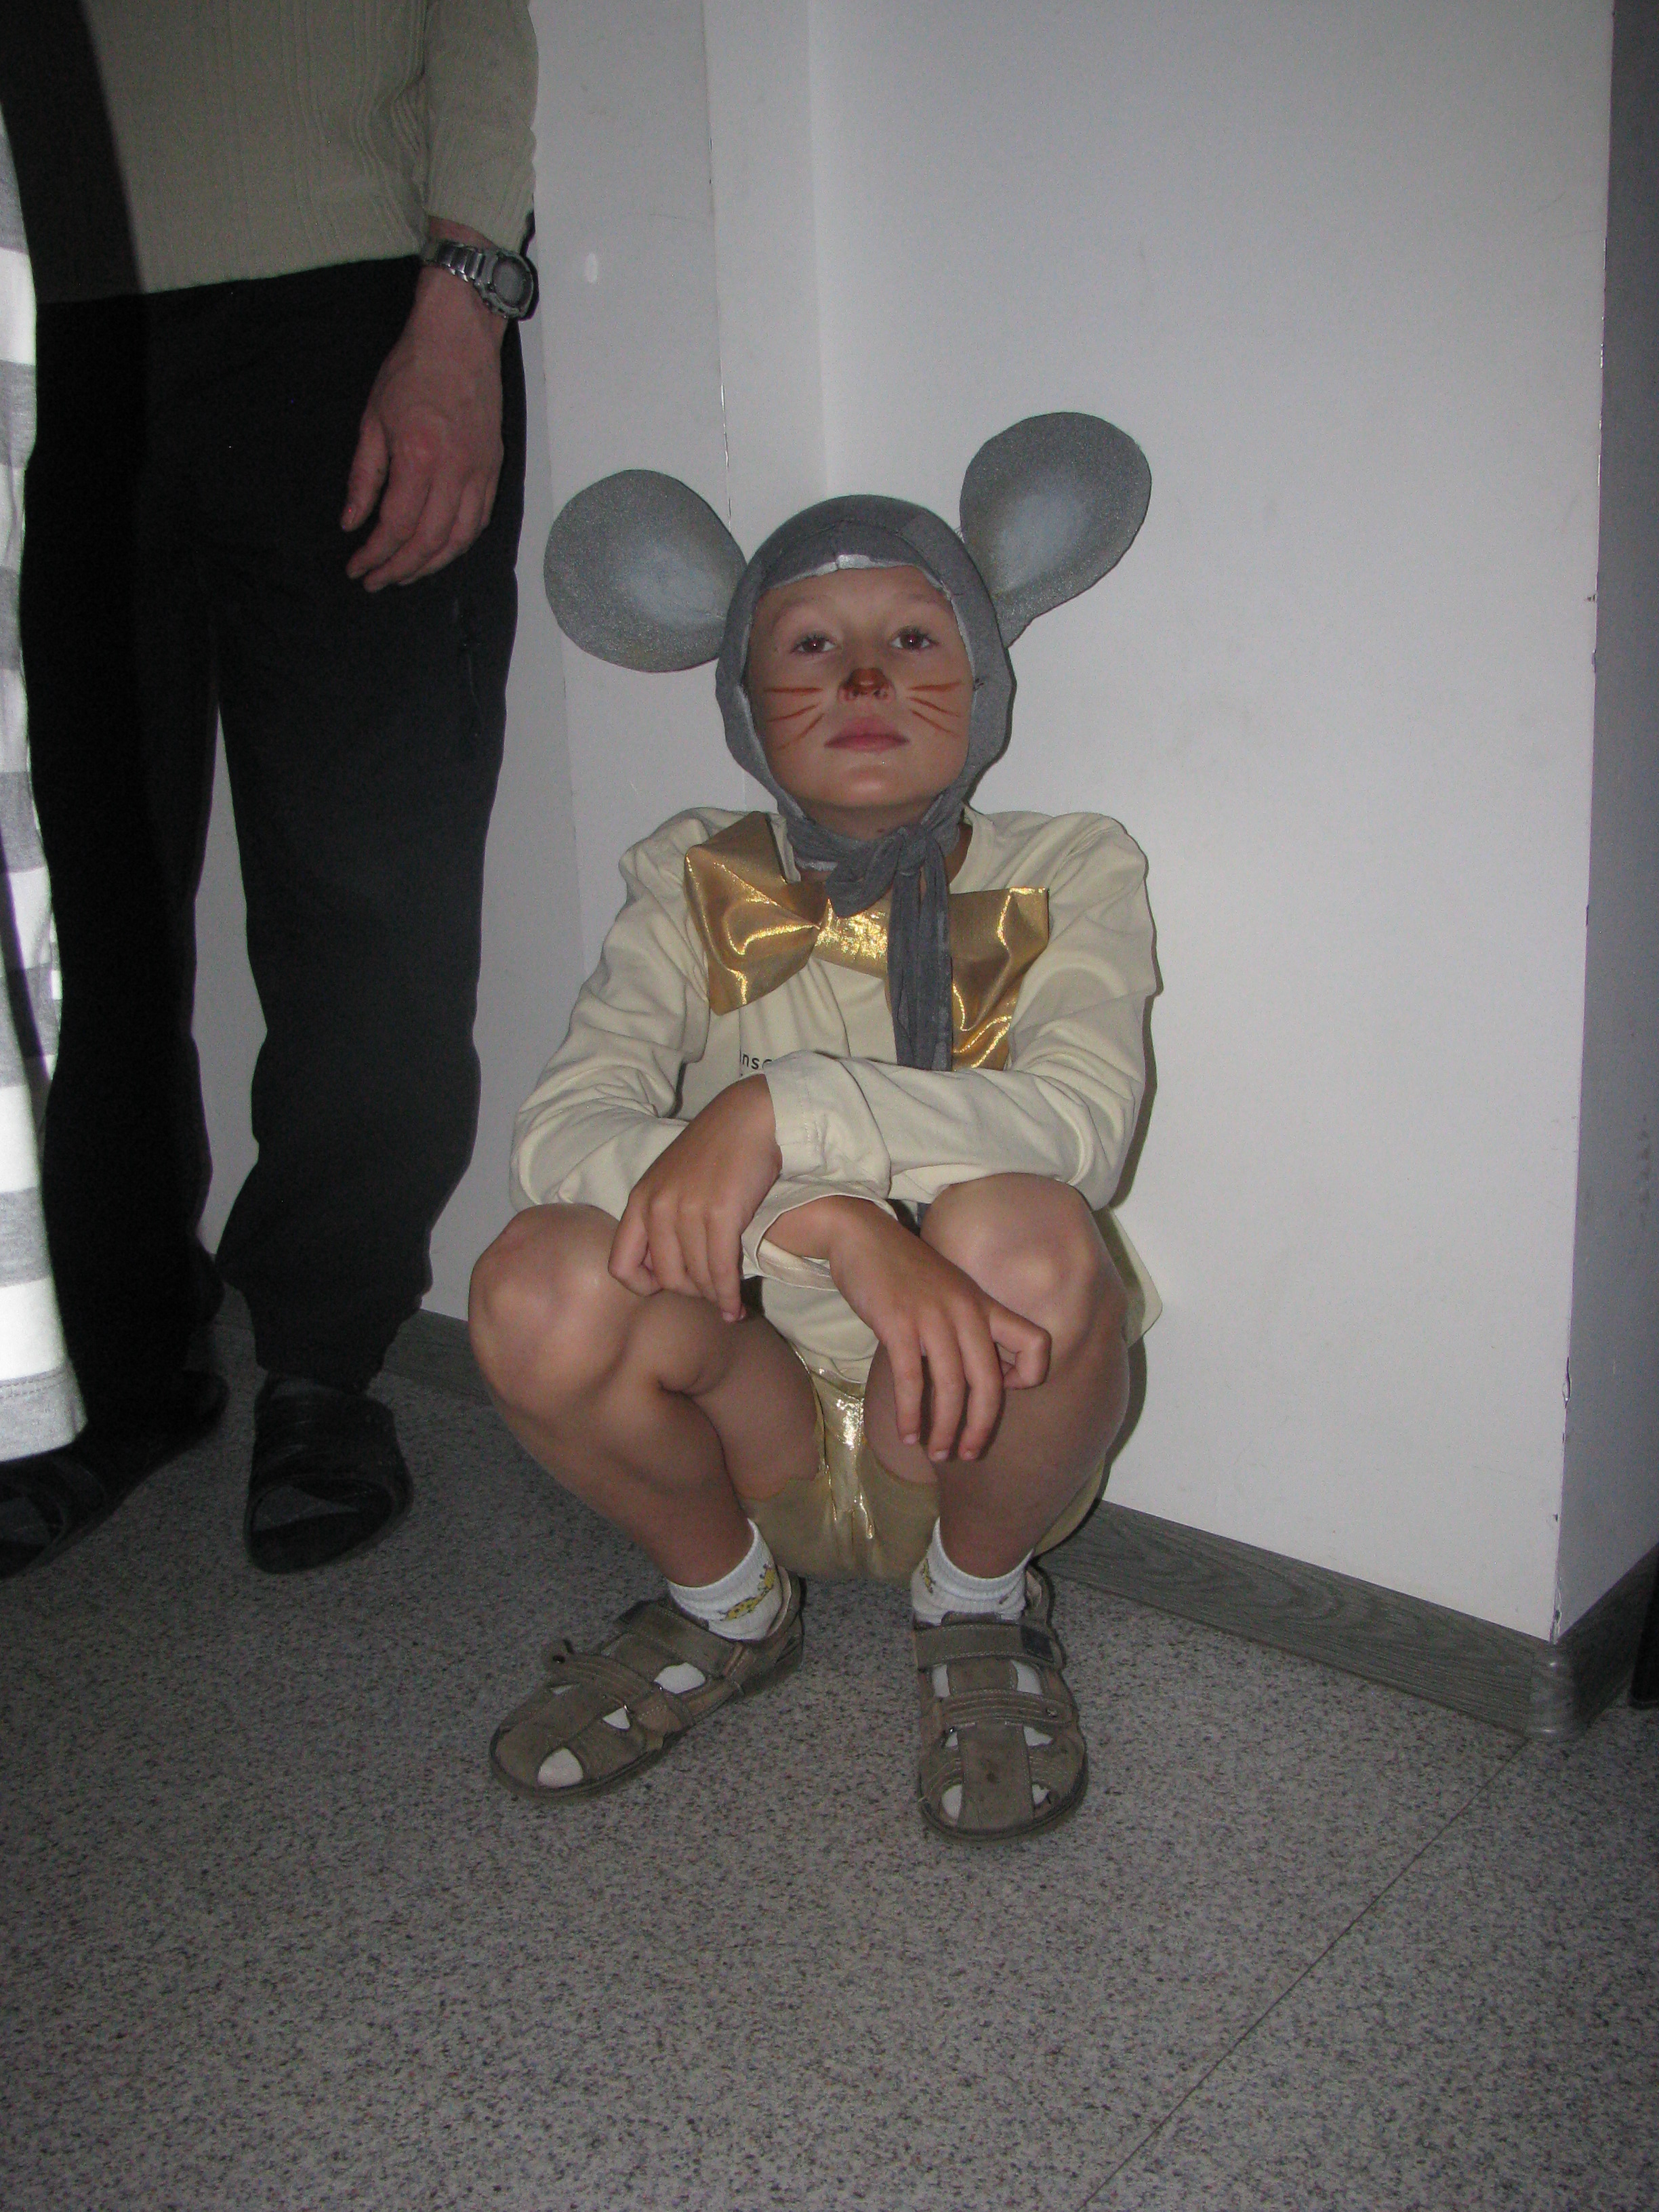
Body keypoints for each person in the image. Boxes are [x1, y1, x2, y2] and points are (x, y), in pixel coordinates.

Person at [470, 415, 1161, 1842]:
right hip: (747, 1423)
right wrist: (837, 1227)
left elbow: (1078, 1126)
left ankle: (978, 1603)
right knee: (533, 1279)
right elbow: (561, 1133)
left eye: (912, 638)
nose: (861, 677)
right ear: (743, 697)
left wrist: (775, 1111)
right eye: (808, 646)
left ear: (985, 673)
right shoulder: (692, 876)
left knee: (1027, 1231)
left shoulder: (1073, 869)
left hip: (977, 1426)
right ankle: (726, 1607)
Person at [2, 0, 537, 1577]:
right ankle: (120, 1367)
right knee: (70, 905)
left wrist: (464, 312)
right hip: (45, 324)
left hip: (355, 309)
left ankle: (322, 1358)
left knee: (370, 887)